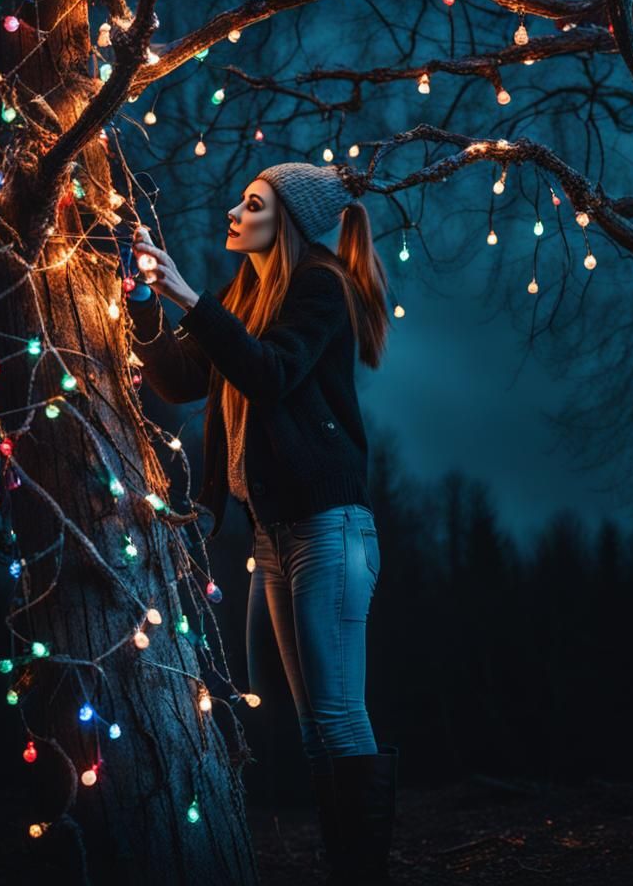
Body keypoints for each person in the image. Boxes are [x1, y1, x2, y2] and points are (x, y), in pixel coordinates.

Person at [126, 163, 396, 885]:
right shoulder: (247, 294)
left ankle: (364, 871)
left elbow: (270, 374)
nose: (234, 211)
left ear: (291, 221)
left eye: (253, 203)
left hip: (329, 528)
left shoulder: (321, 288)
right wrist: (150, 298)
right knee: (312, 730)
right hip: (276, 535)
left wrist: (189, 292)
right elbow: (186, 380)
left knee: (338, 717)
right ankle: (349, 868)